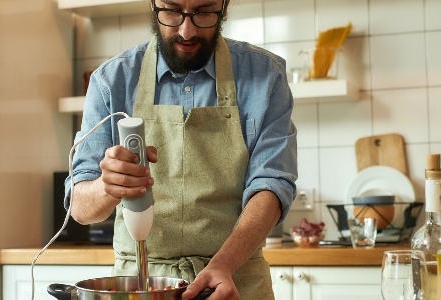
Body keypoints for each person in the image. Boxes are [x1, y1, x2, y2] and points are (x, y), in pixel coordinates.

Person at [65, 0, 297, 298]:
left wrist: (223, 264)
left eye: (204, 12)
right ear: (152, 4)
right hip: (141, 286)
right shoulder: (111, 80)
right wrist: (107, 187)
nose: (186, 31)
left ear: (224, 6)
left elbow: (272, 183)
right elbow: (80, 208)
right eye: (171, 10)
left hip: (235, 280)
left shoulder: (267, 75)